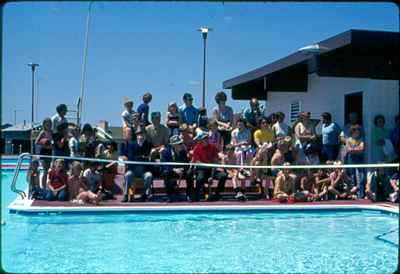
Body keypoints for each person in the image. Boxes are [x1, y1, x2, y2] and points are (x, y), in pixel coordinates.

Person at [191, 131, 228, 201]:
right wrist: (207, 166)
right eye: (204, 139)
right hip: (201, 169)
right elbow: (197, 162)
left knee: (223, 175)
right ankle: (197, 195)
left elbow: (215, 161)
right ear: (200, 140)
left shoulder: (213, 147)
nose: (206, 140)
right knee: (199, 178)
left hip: (211, 169)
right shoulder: (196, 148)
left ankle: (217, 194)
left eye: (207, 138)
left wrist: (212, 175)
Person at [120, 129, 153, 202]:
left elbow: (149, 158)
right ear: (137, 136)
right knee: (128, 175)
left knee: (149, 176)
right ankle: (125, 195)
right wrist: (143, 157)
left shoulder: (148, 145)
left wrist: (141, 158)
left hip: (144, 170)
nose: (140, 136)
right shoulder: (131, 145)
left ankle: (144, 194)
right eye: (139, 134)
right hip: (133, 169)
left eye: (142, 134)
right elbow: (131, 158)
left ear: (145, 135)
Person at [160, 135, 193, 202]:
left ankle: (189, 195)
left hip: (181, 171)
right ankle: (169, 195)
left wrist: (183, 169)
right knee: (166, 174)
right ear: (173, 145)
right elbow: (164, 164)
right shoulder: (166, 152)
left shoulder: (183, 152)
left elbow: (186, 163)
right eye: (179, 144)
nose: (181, 145)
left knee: (190, 173)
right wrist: (174, 169)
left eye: (181, 143)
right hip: (171, 171)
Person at [346, 125, 365, 198]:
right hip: (351, 158)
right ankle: (352, 194)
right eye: (355, 132)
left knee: (361, 175)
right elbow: (348, 150)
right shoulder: (349, 139)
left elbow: (362, 149)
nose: (357, 133)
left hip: (359, 158)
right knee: (352, 175)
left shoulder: (361, 139)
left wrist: (353, 149)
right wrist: (357, 149)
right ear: (352, 132)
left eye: (358, 132)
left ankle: (361, 194)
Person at [35, 117, 53, 189]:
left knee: (48, 170)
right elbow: (36, 142)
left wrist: (51, 146)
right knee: (45, 170)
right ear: (44, 124)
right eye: (48, 124)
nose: (49, 125)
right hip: (43, 152)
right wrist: (43, 143)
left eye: (50, 124)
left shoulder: (52, 132)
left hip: (50, 152)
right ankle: (43, 187)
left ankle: (47, 186)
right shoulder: (42, 132)